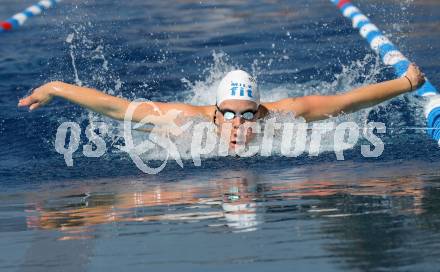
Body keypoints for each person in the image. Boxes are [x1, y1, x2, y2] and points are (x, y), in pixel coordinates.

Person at [18, 64, 425, 149]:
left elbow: (348, 102)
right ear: (214, 113)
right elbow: (116, 108)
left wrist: (406, 83)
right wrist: (55, 87)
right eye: (228, 113)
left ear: (260, 111)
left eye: (247, 114)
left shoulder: (283, 116)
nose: (238, 124)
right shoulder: (187, 120)